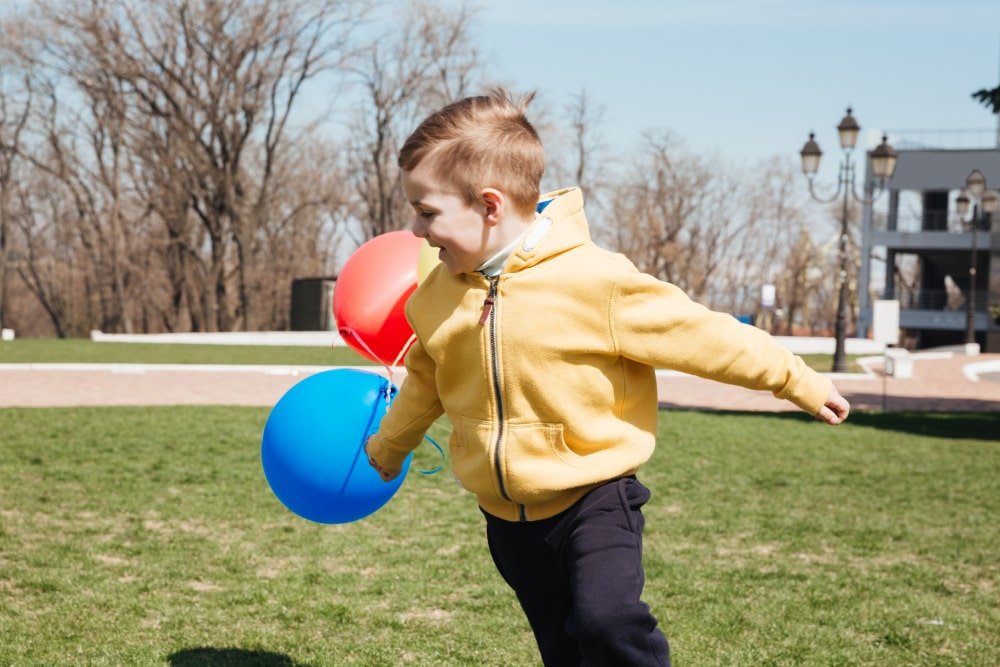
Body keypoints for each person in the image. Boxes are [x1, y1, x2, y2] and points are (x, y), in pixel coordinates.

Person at [365, 89, 850, 666]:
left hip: (594, 498)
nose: (416, 231)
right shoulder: (437, 299)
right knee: (564, 648)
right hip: (506, 520)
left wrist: (797, 380)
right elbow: (424, 382)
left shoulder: (596, 282)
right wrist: (390, 446)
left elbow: (703, 335)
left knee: (607, 621)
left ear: (490, 205)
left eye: (426, 212)